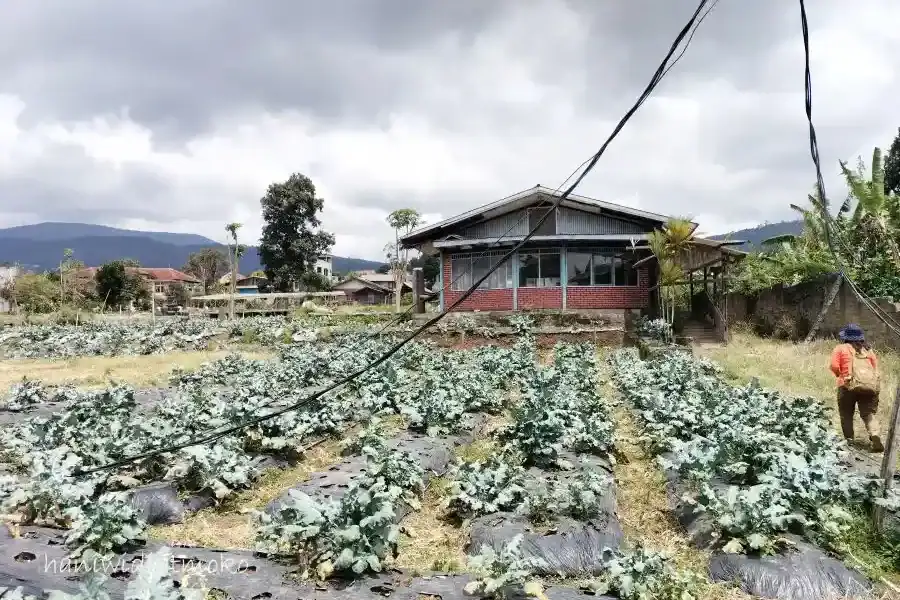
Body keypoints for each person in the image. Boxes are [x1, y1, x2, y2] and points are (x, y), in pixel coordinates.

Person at [830, 324, 883, 452]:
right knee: (868, 413)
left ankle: (849, 441)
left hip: (846, 385)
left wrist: (840, 375)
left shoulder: (840, 348)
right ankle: (874, 434)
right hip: (868, 386)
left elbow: (834, 366)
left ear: (845, 337)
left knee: (846, 414)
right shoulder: (868, 350)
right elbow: (875, 368)